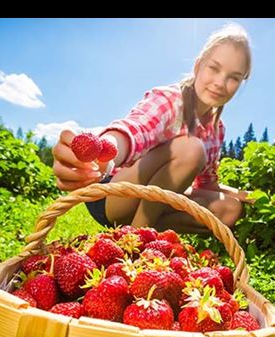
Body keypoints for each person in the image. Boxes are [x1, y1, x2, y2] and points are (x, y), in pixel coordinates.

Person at [52, 23, 255, 234]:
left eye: (233, 78)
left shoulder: (217, 129)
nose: (220, 83)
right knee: (192, 149)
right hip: (112, 194)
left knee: (230, 209)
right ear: (198, 66)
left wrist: (246, 195)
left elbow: (207, 184)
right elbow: (136, 129)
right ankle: (137, 239)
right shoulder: (169, 100)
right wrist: (105, 151)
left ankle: (139, 230)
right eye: (214, 68)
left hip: (149, 201)